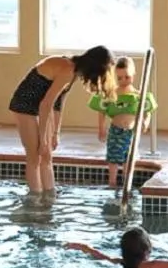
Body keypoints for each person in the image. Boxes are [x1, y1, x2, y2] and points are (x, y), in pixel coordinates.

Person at [9, 46, 116, 198]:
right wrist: (43, 138)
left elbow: (59, 101)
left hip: (41, 105)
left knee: (46, 156)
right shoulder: (68, 69)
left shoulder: (74, 72)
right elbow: (46, 104)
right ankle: (35, 203)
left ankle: (50, 199)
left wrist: (55, 133)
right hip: (24, 104)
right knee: (35, 156)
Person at [91, 56, 157, 189]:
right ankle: (113, 183)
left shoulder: (139, 95)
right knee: (113, 160)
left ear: (133, 73)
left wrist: (145, 122)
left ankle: (127, 186)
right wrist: (101, 129)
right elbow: (102, 111)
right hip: (116, 131)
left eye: (127, 77)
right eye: (119, 78)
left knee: (129, 160)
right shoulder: (112, 94)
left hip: (131, 133)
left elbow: (147, 111)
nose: (123, 81)